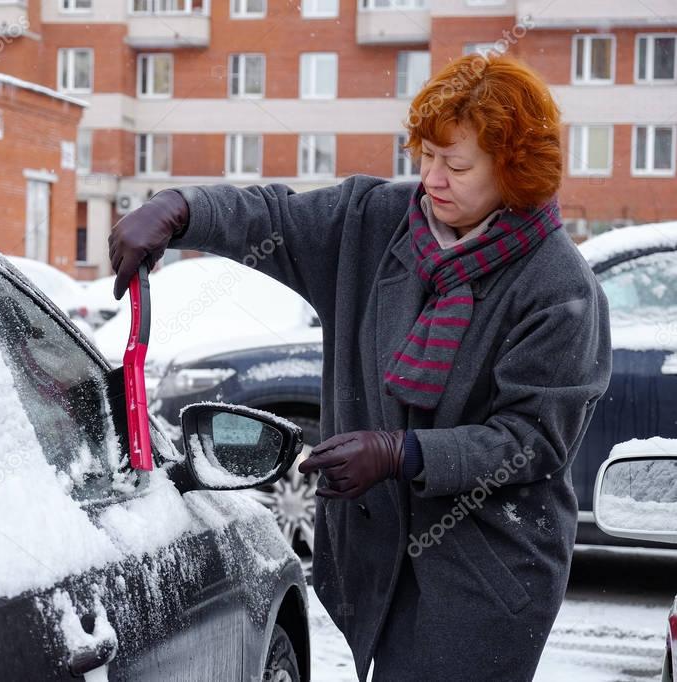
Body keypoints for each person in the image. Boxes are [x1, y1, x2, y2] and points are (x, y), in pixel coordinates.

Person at [108, 54, 612, 680]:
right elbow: (277, 219)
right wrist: (182, 209)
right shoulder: (372, 223)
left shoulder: (558, 286)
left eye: (455, 164)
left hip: (487, 569)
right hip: (377, 560)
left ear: (514, 171)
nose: (432, 177)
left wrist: (402, 453)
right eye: (425, 155)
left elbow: (532, 439)